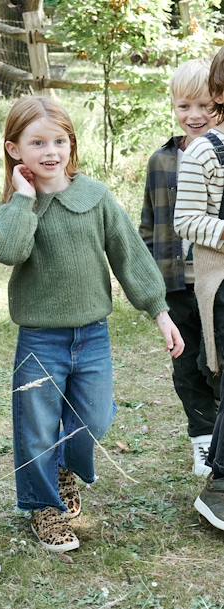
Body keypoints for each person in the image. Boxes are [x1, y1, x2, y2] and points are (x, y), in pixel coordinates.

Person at [0, 96, 184, 552]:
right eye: (38, 143)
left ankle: (63, 470)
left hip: (92, 335)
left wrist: (160, 311)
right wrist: (24, 198)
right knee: (36, 427)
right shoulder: (19, 206)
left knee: (93, 417)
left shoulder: (95, 197)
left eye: (60, 141)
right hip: (40, 338)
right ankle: (44, 508)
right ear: (15, 150)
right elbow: (9, 251)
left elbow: (130, 256)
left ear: (71, 145)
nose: (51, 151)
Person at [139, 59, 218, 477]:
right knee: (187, 367)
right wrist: (151, 285)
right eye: (185, 105)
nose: (195, 116)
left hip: (214, 283)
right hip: (174, 286)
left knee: (215, 362)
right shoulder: (161, 160)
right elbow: (149, 225)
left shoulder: (219, 158)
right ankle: (202, 440)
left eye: (206, 105)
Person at [174, 46, 224, 530]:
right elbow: (177, 223)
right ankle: (213, 468)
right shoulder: (191, 155)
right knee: (208, 371)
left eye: (202, 106)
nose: (196, 115)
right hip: (204, 280)